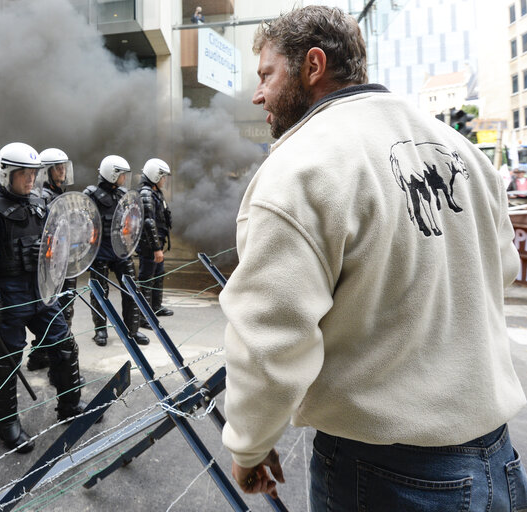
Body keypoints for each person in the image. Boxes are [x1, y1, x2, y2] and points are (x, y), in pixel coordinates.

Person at [220, 6, 527, 510]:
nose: (258, 95)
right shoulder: (462, 150)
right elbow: (503, 272)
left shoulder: (299, 167)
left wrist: (248, 445)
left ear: (312, 66)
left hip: (384, 476)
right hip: (498, 460)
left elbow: (269, 340)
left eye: (266, 75)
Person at [0, 142, 87, 453]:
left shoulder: (39, 204)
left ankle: (70, 405)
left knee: (64, 344)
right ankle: (7, 426)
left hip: (41, 291)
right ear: (6, 174)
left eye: (34, 174)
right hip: (11, 295)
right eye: (24, 174)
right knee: (8, 360)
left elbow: (56, 246)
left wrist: (48, 255)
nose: (30, 180)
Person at [83, 155, 149, 347]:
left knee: (131, 289)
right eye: (122, 175)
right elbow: (84, 224)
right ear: (112, 174)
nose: (124, 179)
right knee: (99, 292)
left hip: (121, 250)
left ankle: (132, 330)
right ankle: (100, 330)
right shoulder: (91, 194)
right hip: (100, 251)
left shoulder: (123, 195)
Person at [26, 147, 78, 372]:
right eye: (58, 168)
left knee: (62, 310)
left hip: (63, 261)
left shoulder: (59, 195)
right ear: (46, 172)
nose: (62, 171)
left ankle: (39, 355)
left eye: (64, 167)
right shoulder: (43, 198)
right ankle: (54, 361)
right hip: (53, 266)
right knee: (59, 313)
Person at [136, 158, 173, 326]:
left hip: (156, 244)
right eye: (163, 176)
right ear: (155, 175)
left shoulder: (155, 192)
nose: (164, 180)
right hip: (149, 246)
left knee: (158, 274)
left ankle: (155, 307)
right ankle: (144, 316)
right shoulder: (146, 193)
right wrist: (156, 248)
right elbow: (148, 223)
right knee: (147, 279)